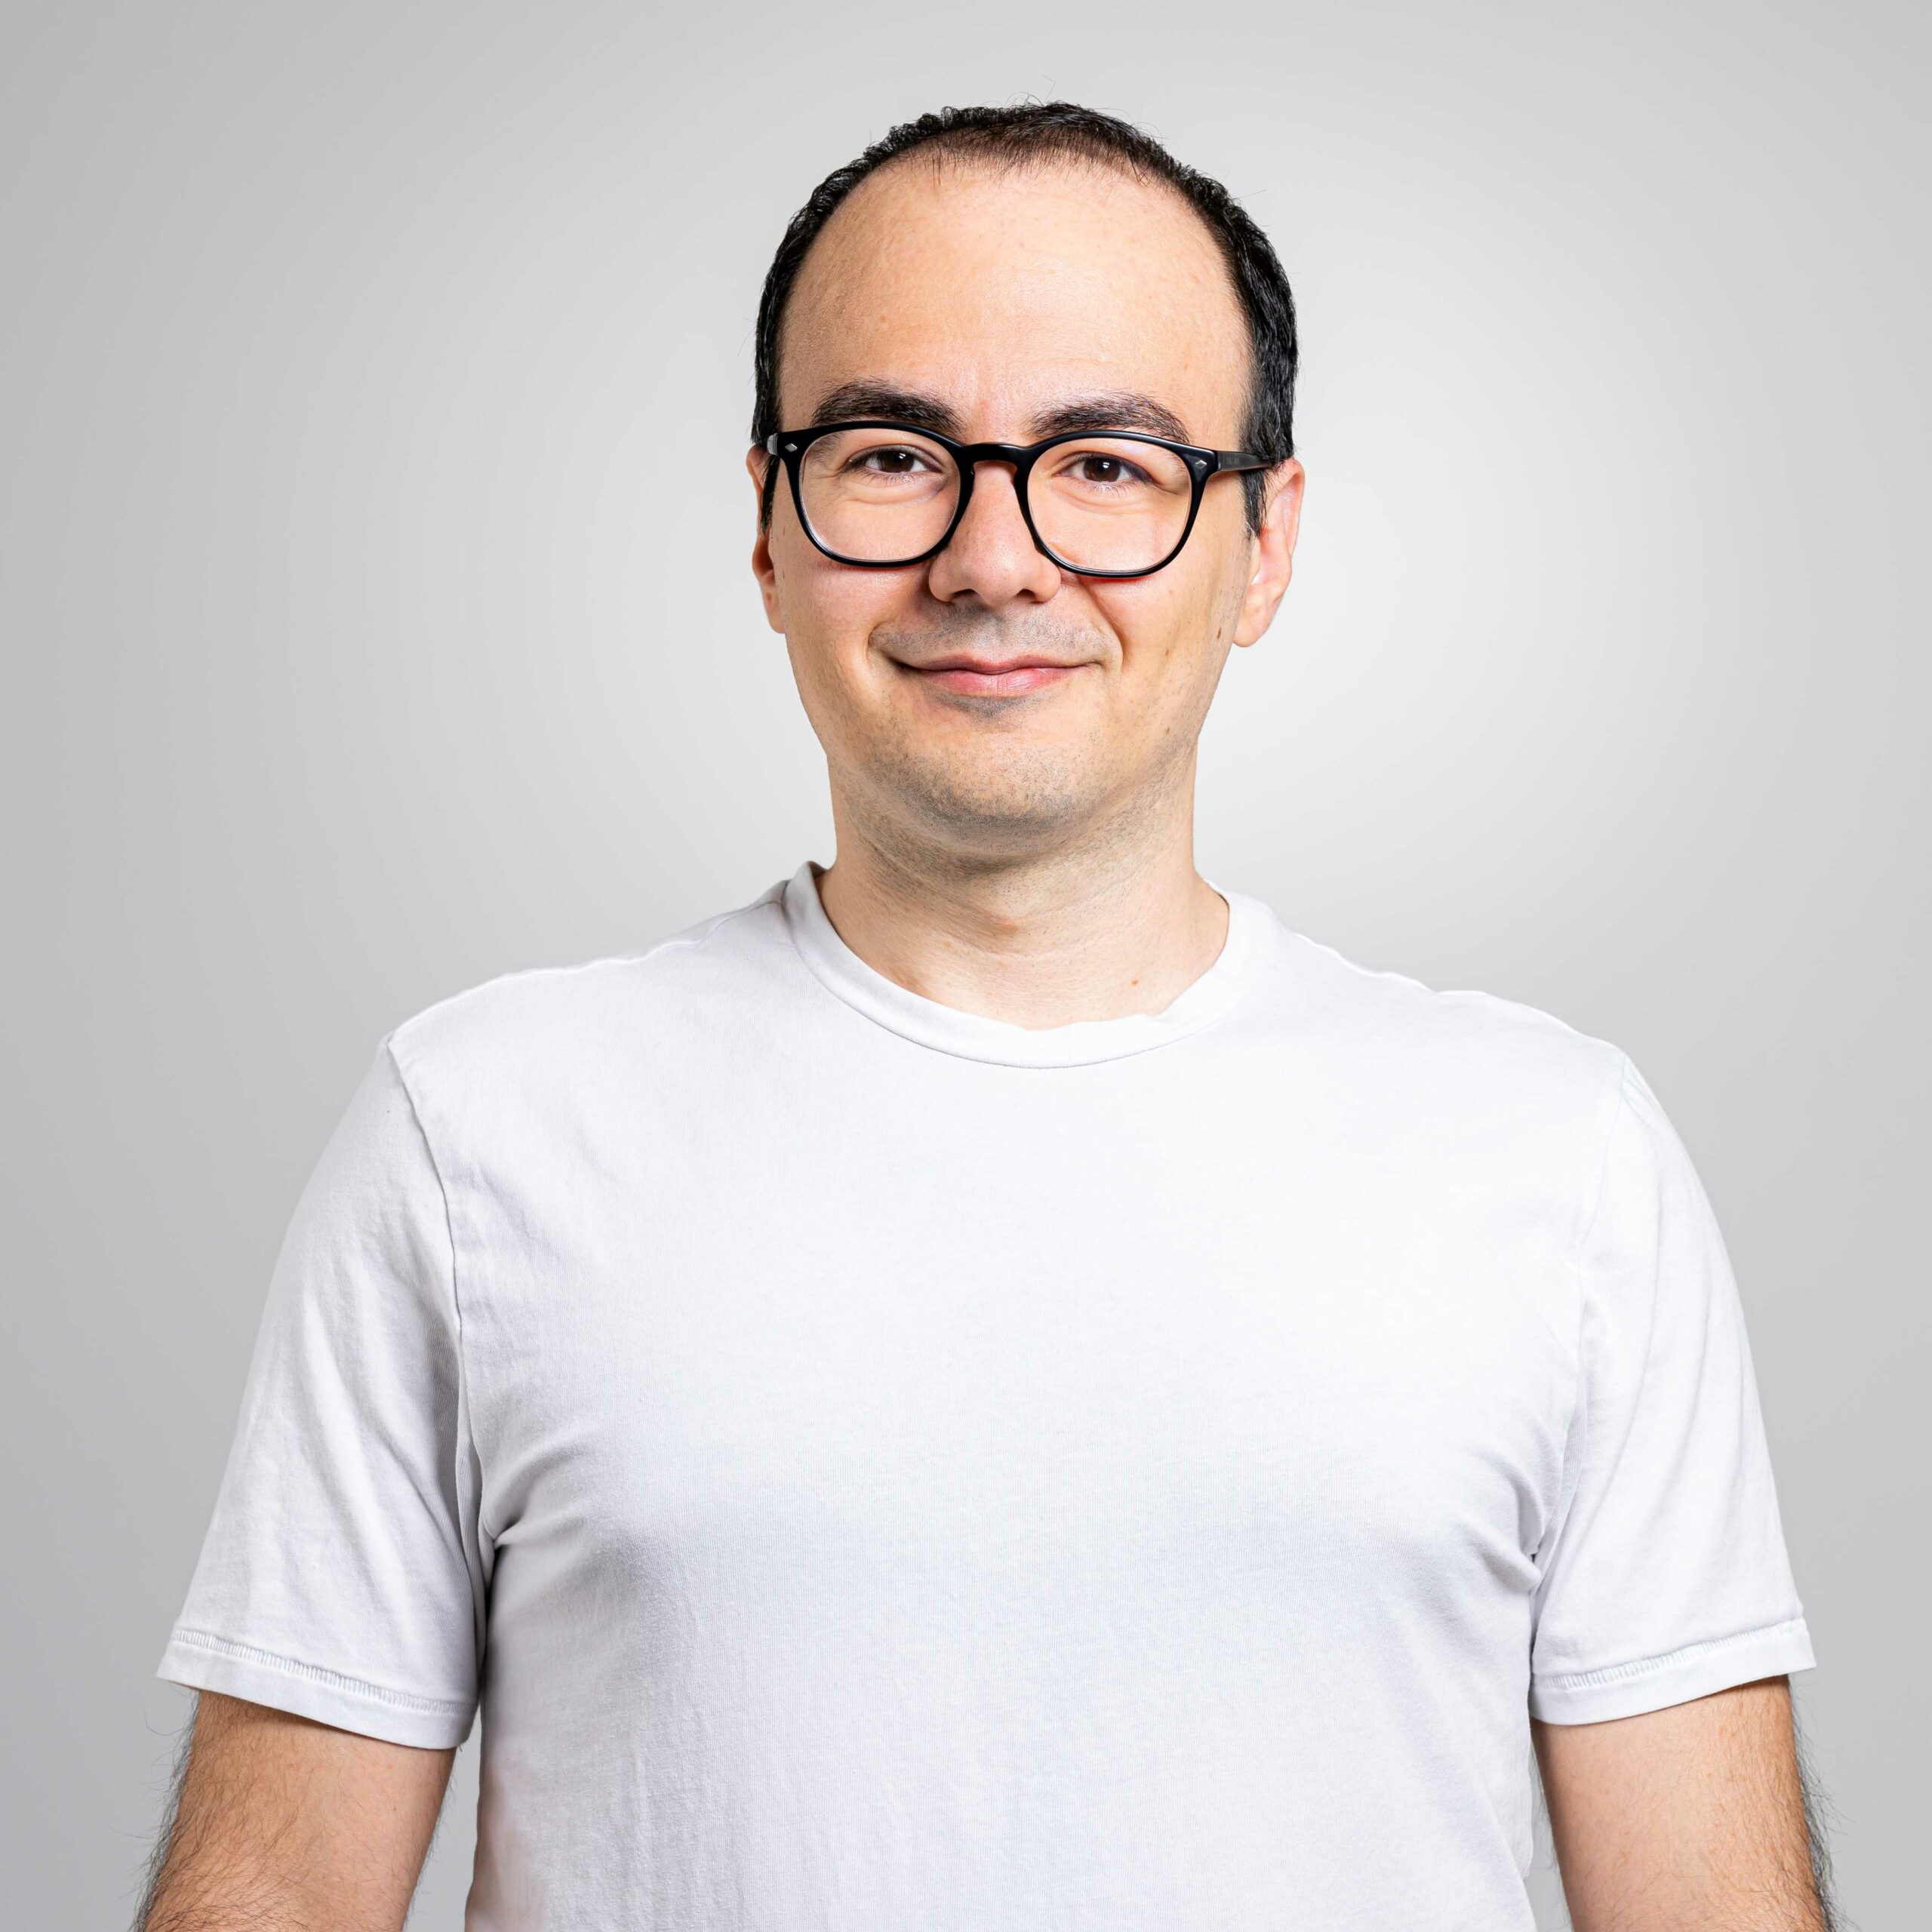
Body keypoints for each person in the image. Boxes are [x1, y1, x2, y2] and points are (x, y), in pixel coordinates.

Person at [140, 103, 1834, 1931]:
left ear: (1262, 542)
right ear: (768, 528)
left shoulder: (1556, 1155)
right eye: (890, 456)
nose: (991, 560)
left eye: (1105, 463)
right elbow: (272, 1898)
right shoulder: (477, 1131)